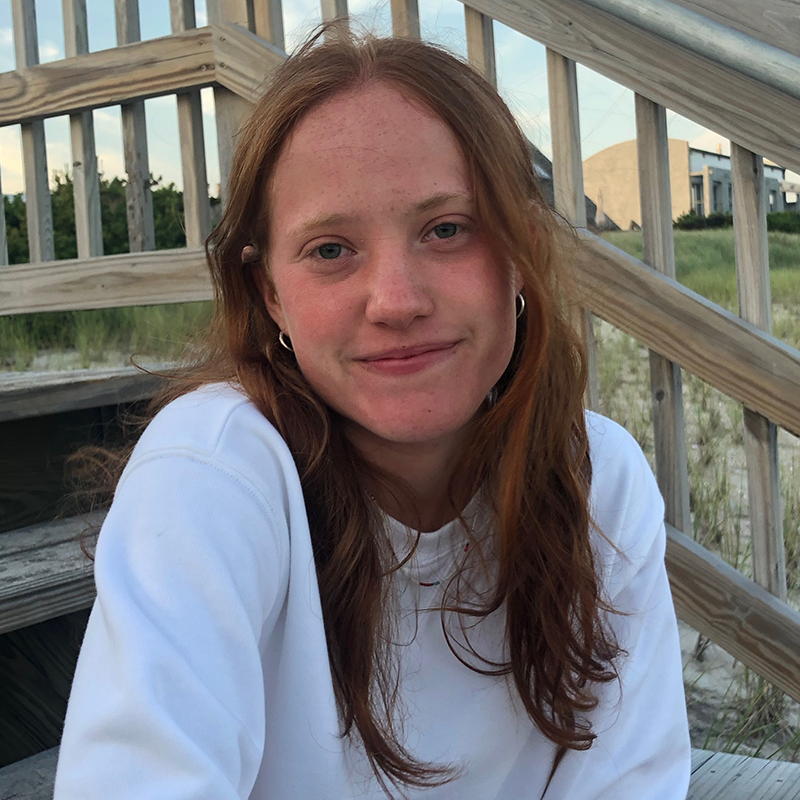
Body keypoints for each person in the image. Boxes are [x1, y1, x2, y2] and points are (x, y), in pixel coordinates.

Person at [53, 23, 691, 800]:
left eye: (447, 230)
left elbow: (630, 780)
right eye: (331, 249)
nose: (396, 301)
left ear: (521, 251)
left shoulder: (599, 478)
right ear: (270, 296)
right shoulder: (210, 474)